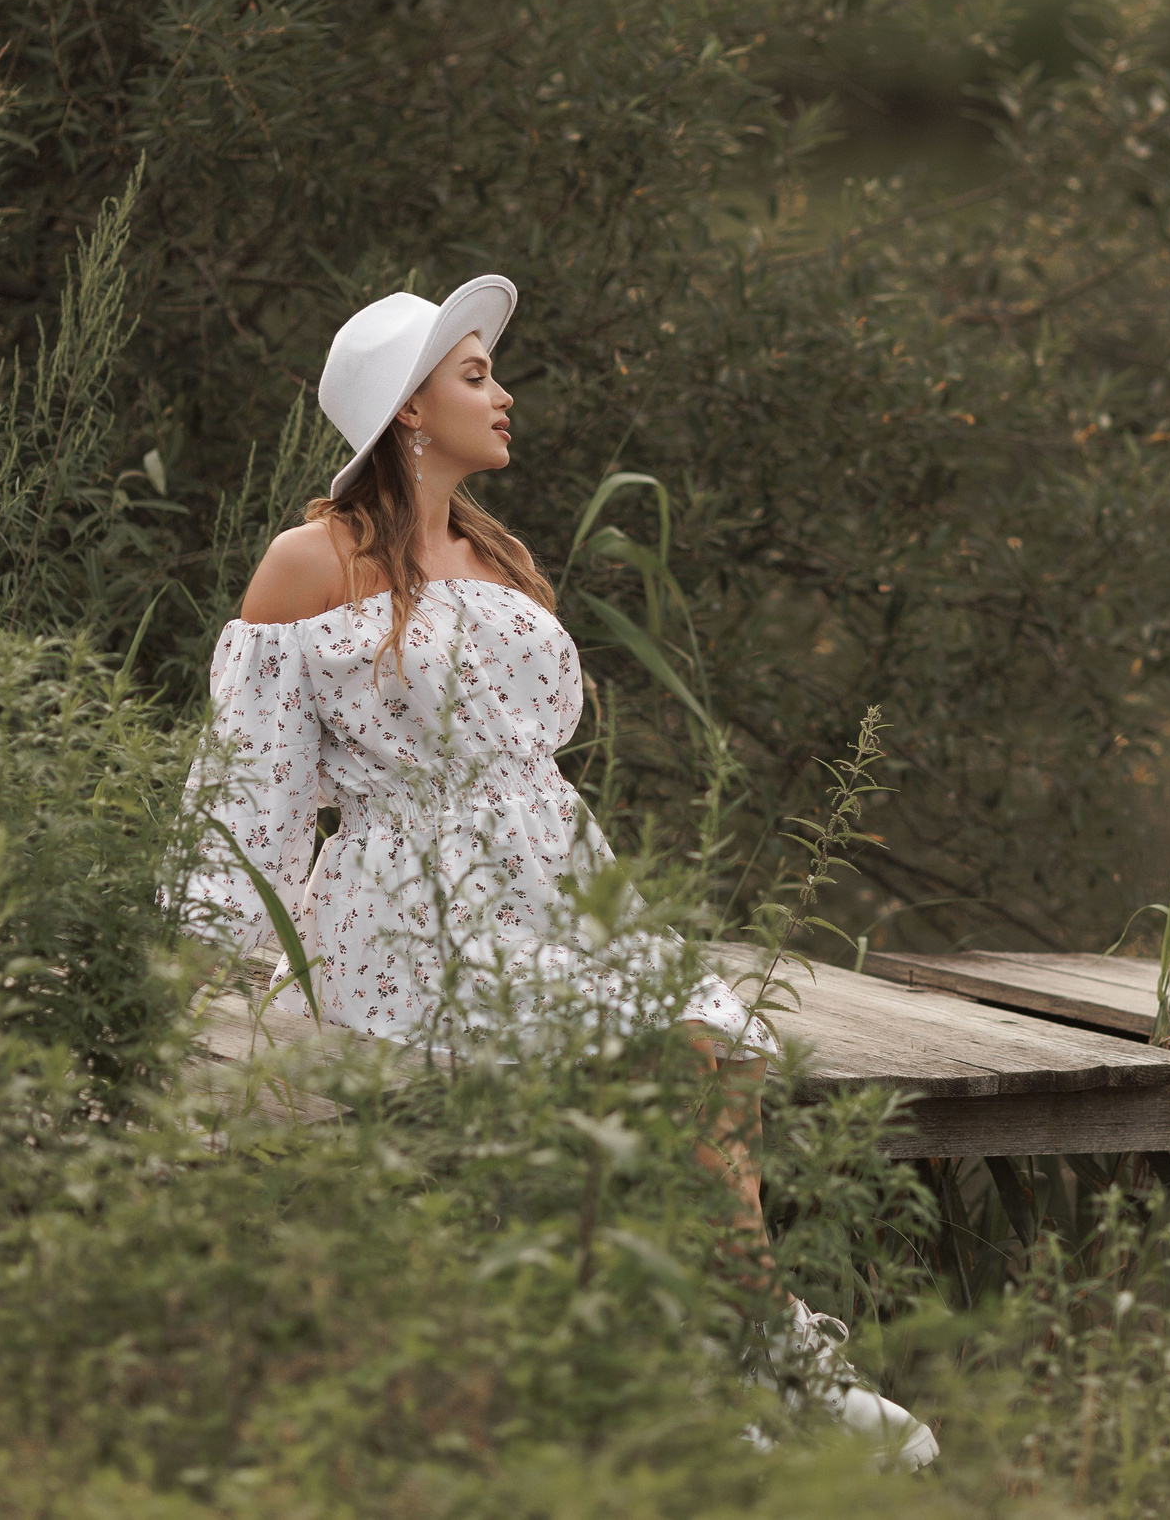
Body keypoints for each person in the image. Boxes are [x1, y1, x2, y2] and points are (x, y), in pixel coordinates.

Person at [188, 276, 936, 1469]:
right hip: (409, 908)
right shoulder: (310, 560)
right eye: (475, 373)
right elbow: (249, 776)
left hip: (557, 880)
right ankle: (749, 1361)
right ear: (408, 413)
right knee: (670, 1054)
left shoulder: (491, 550)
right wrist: (219, 954)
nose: (505, 393)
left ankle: (747, 1351)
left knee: (718, 1037)